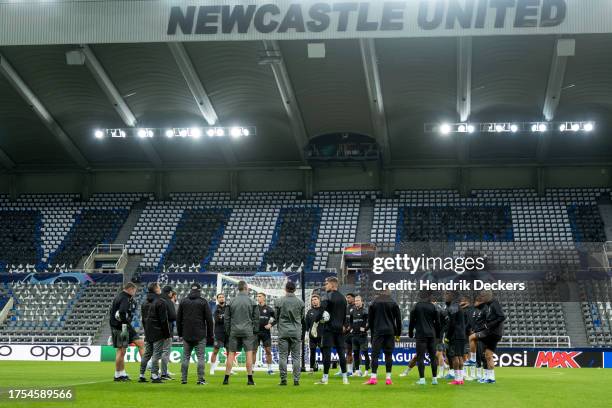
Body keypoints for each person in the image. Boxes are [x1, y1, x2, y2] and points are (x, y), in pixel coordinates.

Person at [177, 282, 214, 385]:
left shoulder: (183, 301)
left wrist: (180, 333)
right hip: (200, 334)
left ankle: (183, 379)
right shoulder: (203, 302)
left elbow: (178, 319)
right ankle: (200, 379)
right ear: (199, 290)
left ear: (190, 290)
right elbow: (209, 320)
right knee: (201, 357)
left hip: (186, 334)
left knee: (185, 357)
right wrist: (210, 334)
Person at [223, 281, 259, 386]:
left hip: (234, 330)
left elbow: (226, 318)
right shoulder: (252, 301)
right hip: (247, 331)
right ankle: (250, 379)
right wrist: (255, 330)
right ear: (246, 288)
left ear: (238, 288)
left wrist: (228, 331)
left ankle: (226, 378)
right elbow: (256, 318)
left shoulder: (231, 301)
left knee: (231, 354)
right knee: (249, 354)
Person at [315, 277, 349, 385]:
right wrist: (343, 325)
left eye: (327, 284)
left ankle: (325, 379)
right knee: (341, 353)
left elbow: (321, 310)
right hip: (339, 329)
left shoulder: (328, 296)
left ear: (332, 285)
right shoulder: (343, 298)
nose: (325, 286)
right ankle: (345, 378)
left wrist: (316, 321)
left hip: (328, 329)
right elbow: (344, 315)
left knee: (327, 353)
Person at [364, 290, 402, 386]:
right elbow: (398, 320)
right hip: (390, 332)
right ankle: (388, 379)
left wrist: (372, 334)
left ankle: (373, 378)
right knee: (388, 355)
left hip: (378, 331)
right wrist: (398, 334)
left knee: (375, 355)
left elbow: (370, 321)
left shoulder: (374, 303)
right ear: (388, 292)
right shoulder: (393, 303)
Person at [109, 282, 144, 381]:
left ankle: (120, 373)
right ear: (131, 289)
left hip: (118, 326)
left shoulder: (119, 297)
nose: (135, 292)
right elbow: (122, 312)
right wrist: (126, 323)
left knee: (122, 350)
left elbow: (113, 312)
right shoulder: (125, 298)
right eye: (134, 290)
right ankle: (118, 375)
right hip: (121, 327)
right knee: (122, 350)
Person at [273, 281, 305, 386]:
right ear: (295, 289)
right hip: (296, 332)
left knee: (283, 356)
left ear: (285, 289)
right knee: (296, 356)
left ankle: (283, 379)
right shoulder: (300, 303)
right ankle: (296, 380)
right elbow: (302, 317)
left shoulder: (279, 301)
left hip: (283, 331)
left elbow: (276, 317)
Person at [139, 282, 170, 383]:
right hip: (158, 333)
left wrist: (146, 330)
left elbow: (143, 320)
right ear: (156, 289)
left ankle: (142, 375)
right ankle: (154, 375)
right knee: (156, 354)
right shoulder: (160, 302)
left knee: (147, 354)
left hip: (148, 332)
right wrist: (166, 334)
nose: (160, 289)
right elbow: (163, 320)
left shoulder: (144, 302)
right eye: (159, 287)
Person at [409, 290, 440, 385]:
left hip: (421, 335)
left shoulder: (416, 306)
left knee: (420, 357)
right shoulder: (433, 307)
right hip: (432, 335)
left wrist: (410, 332)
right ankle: (435, 379)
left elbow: (412, 321)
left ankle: (422, 380)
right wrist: (437, 335)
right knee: (433, 357)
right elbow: (437, 323)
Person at [475, 290, 505, 384]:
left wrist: (489, 325)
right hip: (491, 333)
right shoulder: (488, 305)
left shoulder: (494, 303)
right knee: (488, 355)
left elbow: (502, 317)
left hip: (493, 333)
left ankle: (472, 358)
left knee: (473, 338)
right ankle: (490, 377)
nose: (482, 298)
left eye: (483, 296)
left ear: (488, 296)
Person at [445, 291, 466, 385]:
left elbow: (451, 324)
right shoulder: (459, 307)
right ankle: (460, 379)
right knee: (460, 356)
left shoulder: (452, 307)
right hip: (462, 335)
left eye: (447, 294)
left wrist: (447, 336)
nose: (445, 296)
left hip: (455, 335)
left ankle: (457, 379)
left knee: (454, 357)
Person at [159, 286, 177, 380]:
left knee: (157, 352)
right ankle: (164, 374)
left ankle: (154, 373)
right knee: (166, 352)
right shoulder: (168, 301)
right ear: (169, 293)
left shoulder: (157, 299)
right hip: (167, 330)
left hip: (156, 330)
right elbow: (173, 316)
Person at [350, 295, 370, 377]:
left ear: (361, 301)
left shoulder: (365, 311)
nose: (356, 302)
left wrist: (365, 329)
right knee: (355, 353)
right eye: (356, 301)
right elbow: (351, 321)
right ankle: (357, 371)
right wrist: (351, 328)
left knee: (365, 353)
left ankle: (366, 370)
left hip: (362, 336)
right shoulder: (352, 311)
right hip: (354, 335)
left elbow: (370, 322)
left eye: (358, 300)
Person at [256, 292, 275, 375]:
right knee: (253, 351)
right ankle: (252, 369)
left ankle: (270, 369)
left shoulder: (269, 309)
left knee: (268, 350)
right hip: (255, 332)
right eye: (257, 296)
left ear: (264, 298)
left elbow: (277, 318)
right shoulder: (254, 308)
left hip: (265, 333)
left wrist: (271, 324)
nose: (258, 298)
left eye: (260, 296)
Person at [210, 293, 229, 375]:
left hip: (228, 333)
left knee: (229, 352)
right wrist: (225, 318)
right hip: (219, 333)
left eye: (222, 297)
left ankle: (229, 369)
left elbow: (230, 319)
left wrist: (223, 318)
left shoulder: (228, 308)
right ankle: (212, 369)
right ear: (217, 299)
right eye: (220, 297)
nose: (221, 298)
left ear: (224, 298)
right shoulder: (215, 309)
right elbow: (217, 320)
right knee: (215, 351)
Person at [305, 294, 322, 372]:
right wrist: (305, 334)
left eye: (315, 299)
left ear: (319, 300)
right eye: (312, 300)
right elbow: (306, 325)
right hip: (312, 336)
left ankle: (326, 368)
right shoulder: (309, 312)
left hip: (322, 336)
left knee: (324, 352)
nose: (313, 301)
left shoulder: (323, 311)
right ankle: (311, 368)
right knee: (312, 352)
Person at [340, 293, 356, 376]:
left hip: (354, 333)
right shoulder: (346, 308)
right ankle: (349, 371)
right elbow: (343, 320)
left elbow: (354, 321)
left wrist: (349, 328)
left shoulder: (356, 308)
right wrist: (343, 327)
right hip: (346, 334)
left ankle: (357, 370)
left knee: (356, 352)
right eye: (347, 298)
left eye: (349, 298)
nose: (347, 299)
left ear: (354, 298)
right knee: (348, 352)